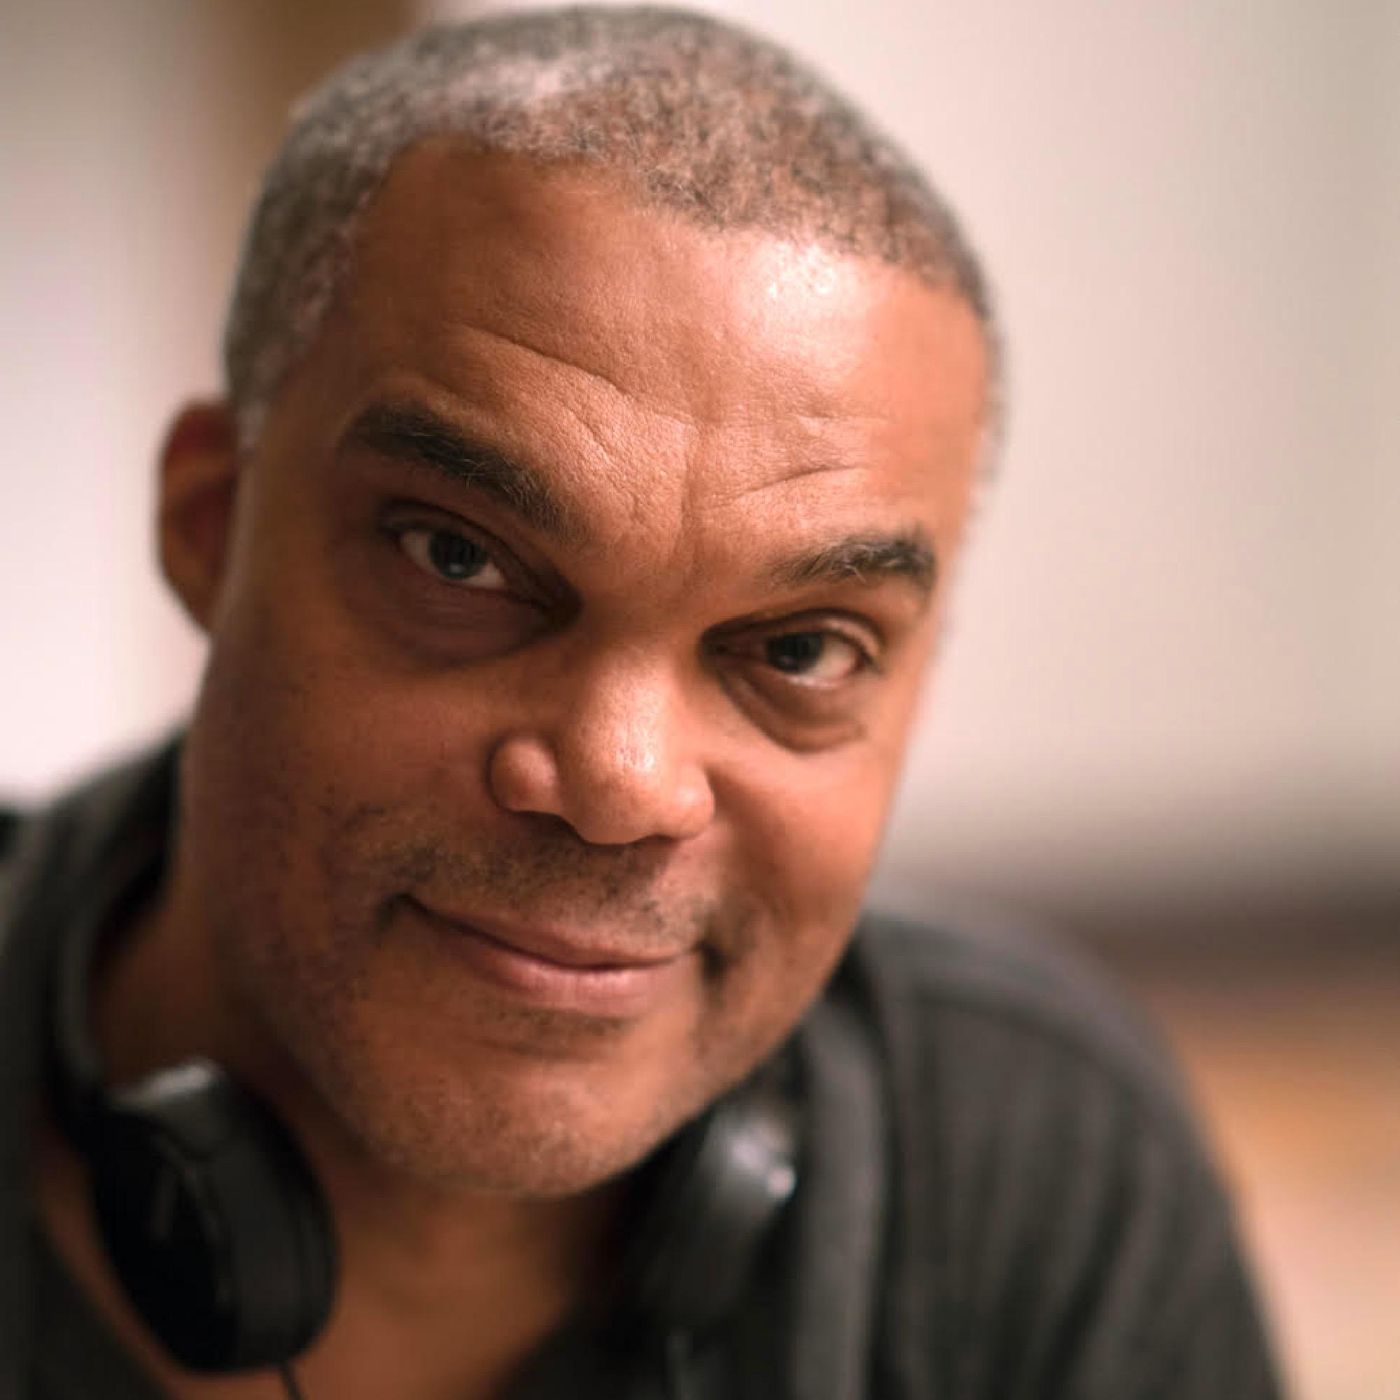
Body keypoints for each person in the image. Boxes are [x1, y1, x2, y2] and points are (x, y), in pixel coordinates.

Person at [0, 8, 1282, 1399]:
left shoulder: (1037, 1174)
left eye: (802, 650)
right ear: (210, 523)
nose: (621, 783)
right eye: (459, 558)